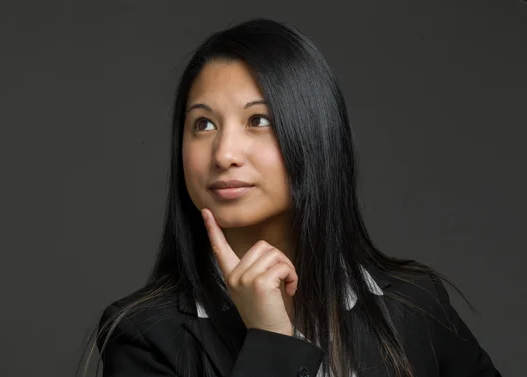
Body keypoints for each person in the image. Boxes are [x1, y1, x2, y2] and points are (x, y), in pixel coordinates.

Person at [81, 18, 501, 377]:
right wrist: (270, 344)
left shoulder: (415, 302)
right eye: (203, 124)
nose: (224, 153)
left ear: (314, 137)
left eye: (258, 120)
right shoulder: (144, 335)